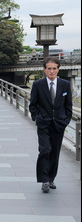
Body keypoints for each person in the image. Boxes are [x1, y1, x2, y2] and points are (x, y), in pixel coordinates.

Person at [29, 57, 73, 193]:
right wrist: (37, 118)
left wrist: (66, 120)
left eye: (54, 68)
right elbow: (33, 105)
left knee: (54, 152)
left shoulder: (65, 84)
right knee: (45, 150)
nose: (52, 71)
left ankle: (51, 178)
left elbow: (68, 105)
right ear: (44, 70)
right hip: (43, 124)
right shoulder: (38, 85)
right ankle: (44, 180)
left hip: (59, 124)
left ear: (58, 69)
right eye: (49, 68)